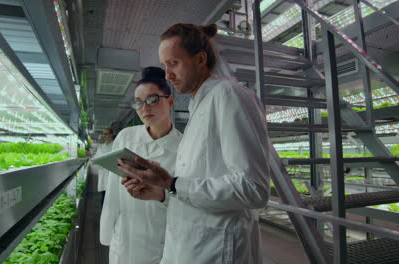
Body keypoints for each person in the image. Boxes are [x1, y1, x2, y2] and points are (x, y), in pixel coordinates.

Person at [119, 24, 271, 264]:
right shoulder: (199, 105)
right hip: (189, 249)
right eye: (164, 66)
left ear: (200, 59)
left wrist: (172, 183)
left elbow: (253, 189)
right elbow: (199, 186)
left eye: (174, 64)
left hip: (217, 251)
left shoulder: (228, 96)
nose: (167, 75)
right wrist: (162, 192)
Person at [99, 67, 182, 264]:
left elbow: (188, 199)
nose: (145, 108)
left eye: (153, 100)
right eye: (138, 102)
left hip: (161, 240)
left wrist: (161, 195)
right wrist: (107, 235)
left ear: (170, 101)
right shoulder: (127, 137)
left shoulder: (184, 147)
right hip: (125, 238)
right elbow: (112, 192)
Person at [93, 128, 115, 198]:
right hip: (103, 174)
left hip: (113, 174)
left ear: (111, 134)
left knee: (113, 196)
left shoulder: (116, 145)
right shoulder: (101, 147)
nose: (104, 136)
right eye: (103, 134)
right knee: (103, 197)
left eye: (106, 134)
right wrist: (91, 156)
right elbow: (96, 160)